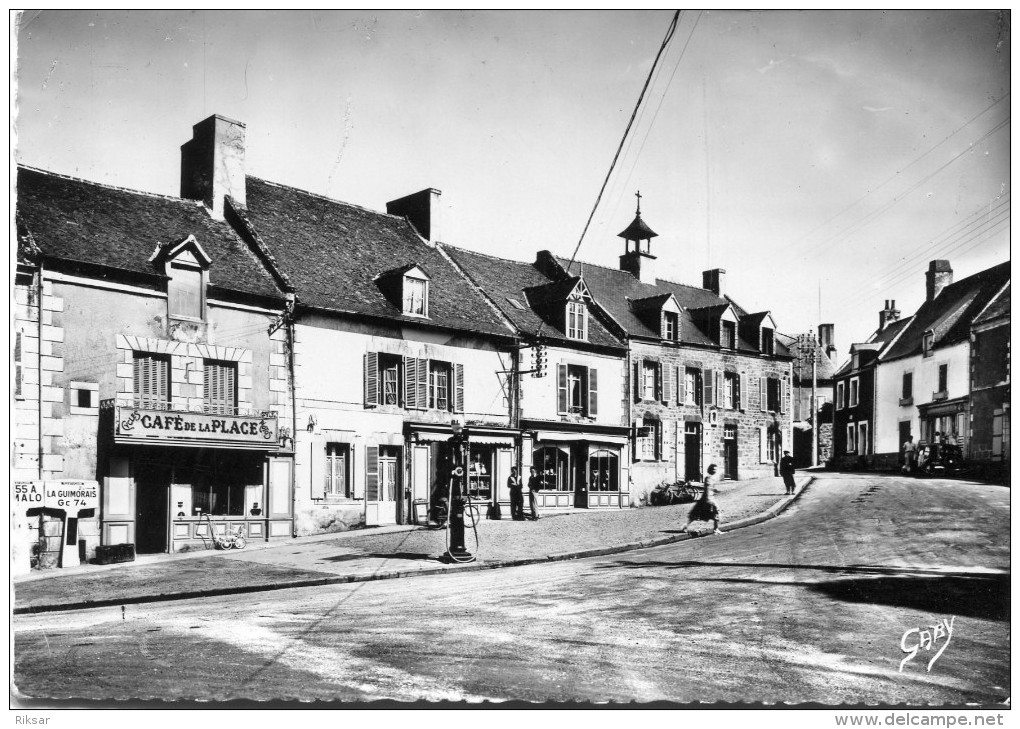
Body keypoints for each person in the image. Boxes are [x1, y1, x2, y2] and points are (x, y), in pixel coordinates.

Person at [679, 464, 722, 535]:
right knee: (716, 512)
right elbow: (707, 489)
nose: (715, 471)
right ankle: (716, 529)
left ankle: (685, 526)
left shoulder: (711, 478)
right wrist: (710, 501)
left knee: (696, 514)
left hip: (705, 499)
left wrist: (715, 490)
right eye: (713, 469)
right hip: (708, 499)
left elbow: (710, 488)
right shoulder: (709, 478)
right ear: (710, 470)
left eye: (715, 469)